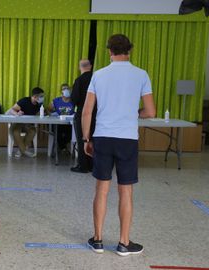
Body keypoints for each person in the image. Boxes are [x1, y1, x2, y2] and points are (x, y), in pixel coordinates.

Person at [82, 34, 155, 256]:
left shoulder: (99, 75)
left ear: (109, 51)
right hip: (127, 139)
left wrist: (86, 139)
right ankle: (124, 243)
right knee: (126, 192)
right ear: (129, 50)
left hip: (103, 137)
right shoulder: (141, 74)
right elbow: (151, 112)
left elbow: (87, 111)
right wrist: (134, 114)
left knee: (101, 190)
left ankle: (97, 240)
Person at [6, 87, 45, 158]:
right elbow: (12, 110)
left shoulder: (39, 104)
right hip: (18, 123)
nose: (42, 98)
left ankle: (21, 150)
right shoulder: (24, 101)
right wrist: (17, 114)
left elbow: (39, 115)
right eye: (41, 96)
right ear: (35, 96)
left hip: (29, 124)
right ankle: (24, 151)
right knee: (15, 131)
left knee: (33, 131)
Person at [71, 59, 94, 173]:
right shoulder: (96, 78)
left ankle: (83, 166)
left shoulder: (79, 80)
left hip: (82, 113)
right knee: (93, 139)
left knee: (82, 140)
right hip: (96, 114)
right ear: (90, 66)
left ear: (80, 67)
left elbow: (74, 99)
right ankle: (92, 165)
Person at [48, 83, 74, 152]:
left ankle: (63, 146)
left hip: (69, 124)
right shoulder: (56, 101)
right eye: (64, 89)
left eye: (67, 88)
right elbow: (48, 110)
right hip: (58, 123)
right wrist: (52, 114)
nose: (66, 90)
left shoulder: (74, 100)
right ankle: (63, 147)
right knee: (57, 132)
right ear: (61, 92)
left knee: (71, 132)